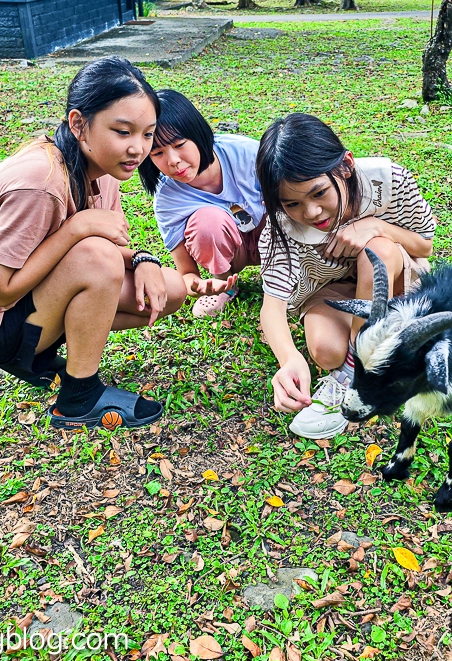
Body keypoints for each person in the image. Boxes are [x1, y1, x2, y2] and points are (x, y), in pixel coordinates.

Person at [0, 56, 187, 431]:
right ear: (79, 125)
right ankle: (78, 398)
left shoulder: (104, 171)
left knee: (169, 288)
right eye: (123, 132)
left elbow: (112, 249)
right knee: (97, 256)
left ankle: (53, 356)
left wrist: (144, 260)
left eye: (147, 134)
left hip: (32, 303)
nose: (138, 148)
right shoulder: (40, 183)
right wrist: (76, 228)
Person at [256, 113, 436, 439]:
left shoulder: (388, 181)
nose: (310, 212)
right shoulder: (281, 227)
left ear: (345, 165)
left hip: (395, 281)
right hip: (333, 290)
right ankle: (378, 355)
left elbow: (424, 244)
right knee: (325, 352)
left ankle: (356, 368)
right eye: (292, 203)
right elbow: (272, 307)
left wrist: (377, 228)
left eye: (319, 193)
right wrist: (289, 359)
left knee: (376, 251)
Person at [138, 90, 264, 317]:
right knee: (208, 221)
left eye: (179, 144)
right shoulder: (168, 198)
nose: (173, 161)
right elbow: (186, 272)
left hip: (273, 237)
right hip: (233, 253)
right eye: (158, 153)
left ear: (198, 133)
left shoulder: (248, 154)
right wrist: (196, 286)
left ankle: (290, 272)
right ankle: (224, 284)